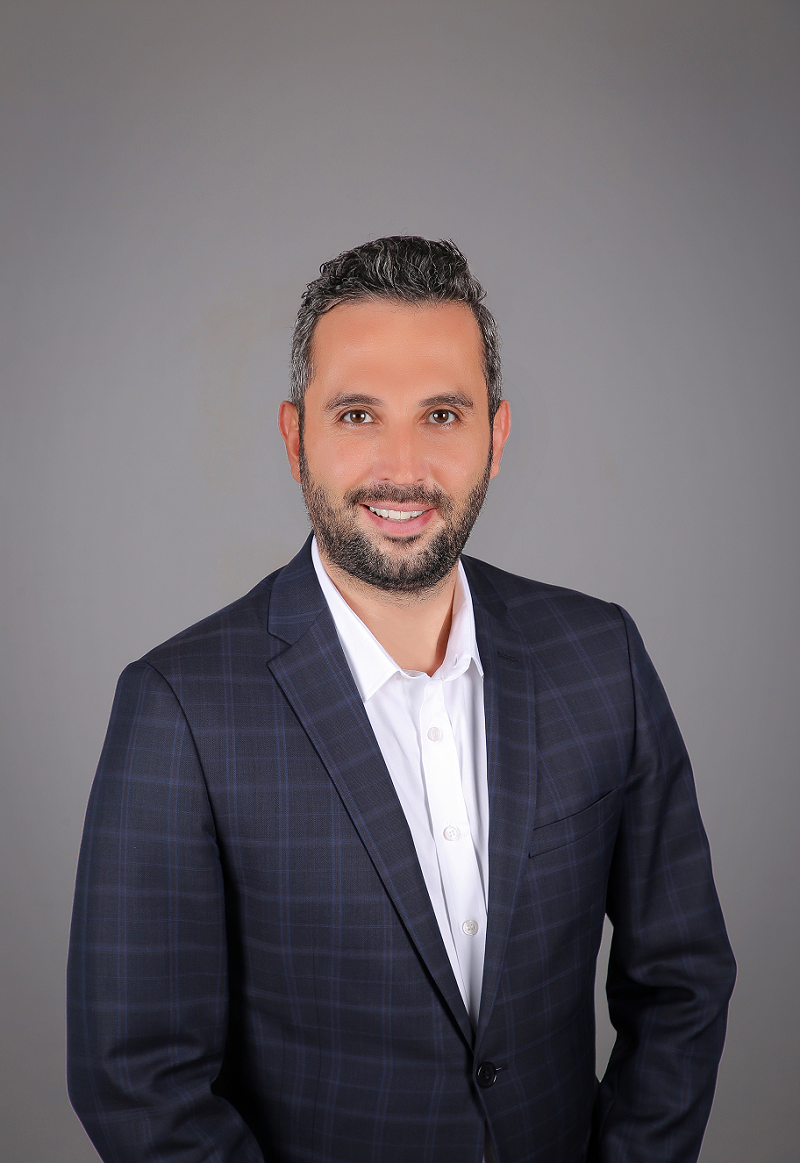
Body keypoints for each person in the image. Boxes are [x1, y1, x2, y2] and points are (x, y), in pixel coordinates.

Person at [67, 236, 736, 1163]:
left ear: (497, 436)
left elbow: (683, 980)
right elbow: (138, 1082)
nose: (403, 465)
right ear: (294, 437)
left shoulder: (601, 657)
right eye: (356, 414)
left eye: (443, 415)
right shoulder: (178, 708)